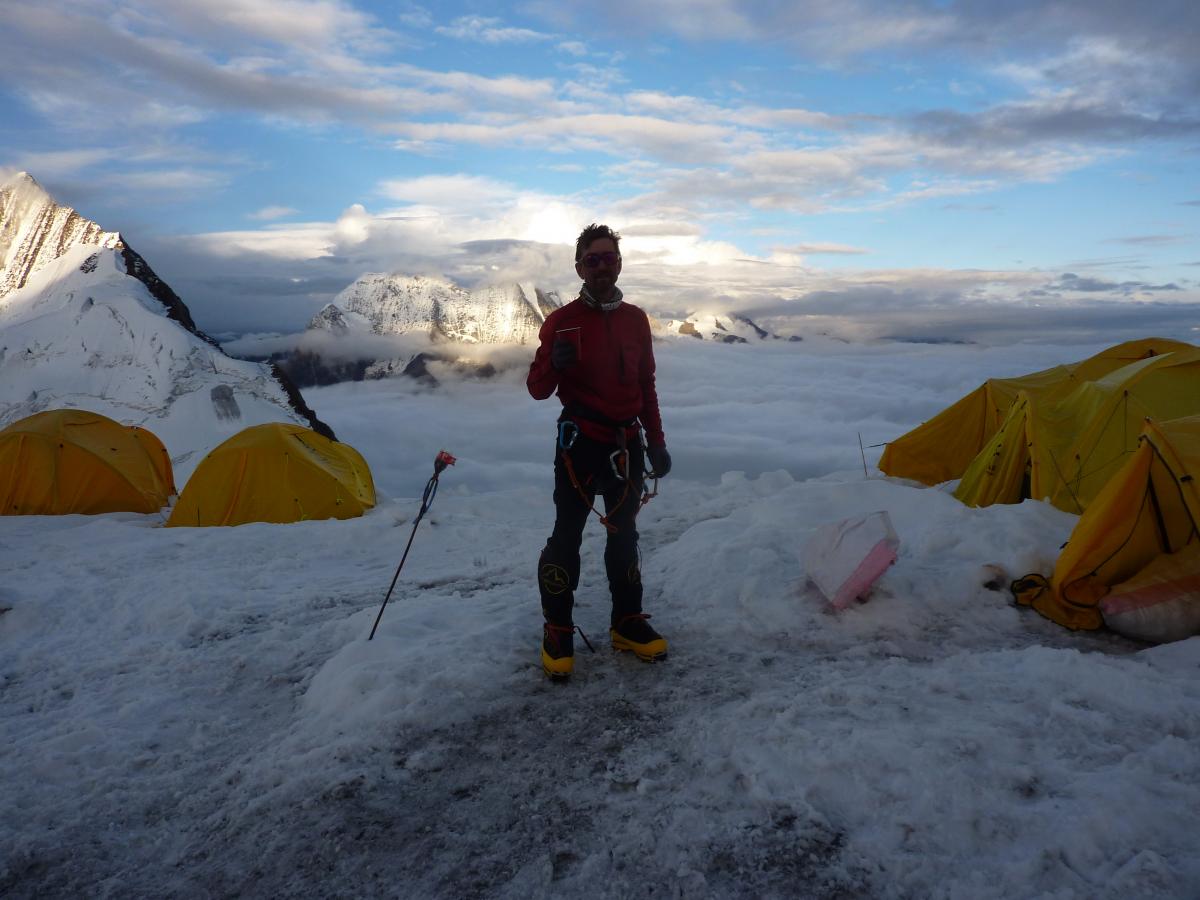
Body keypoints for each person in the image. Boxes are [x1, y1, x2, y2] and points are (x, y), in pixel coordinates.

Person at [527, 223, 672, 679]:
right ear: (579, 268)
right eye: (594, 259)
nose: (602, 267)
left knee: (623, 535)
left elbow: (646, 383)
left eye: (609, 258)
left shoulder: (636, 319)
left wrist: (657, 443)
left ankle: (627, 622)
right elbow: (536, 388)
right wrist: (554, 361)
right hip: (580, 445)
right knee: (566, 537)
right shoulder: (560, 321)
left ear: (620, 264)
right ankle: (558, 629)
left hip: (627, 444)